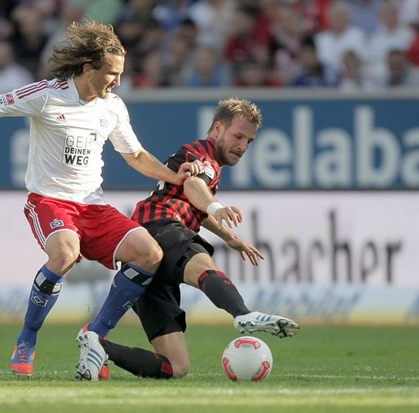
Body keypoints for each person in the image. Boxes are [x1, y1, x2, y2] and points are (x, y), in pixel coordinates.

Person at [0, 20, 202, 381]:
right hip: (50, 201)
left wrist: (173, 175)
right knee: (65, 254)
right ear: (88, 68)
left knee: (150, 253)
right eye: (111, 73)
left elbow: (135, 155)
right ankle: (26, 339)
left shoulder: (112, 107)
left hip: (93, 206)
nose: (117, 81)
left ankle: (95, 334)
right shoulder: (48, 94)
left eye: (120, 74)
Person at [95, 98, 300, 379]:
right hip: (158, 227)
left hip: (143, 255)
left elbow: (197, 206)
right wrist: (217, 206)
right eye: (238, 136)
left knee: (176, 367)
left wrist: (231, 238)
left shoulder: (208, 162)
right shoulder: (204, 155)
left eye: (249, 141)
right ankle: (243, 313)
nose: (242, 146)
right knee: (203, 267)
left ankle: (98, 347)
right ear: (218, 128)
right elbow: (194, 186)